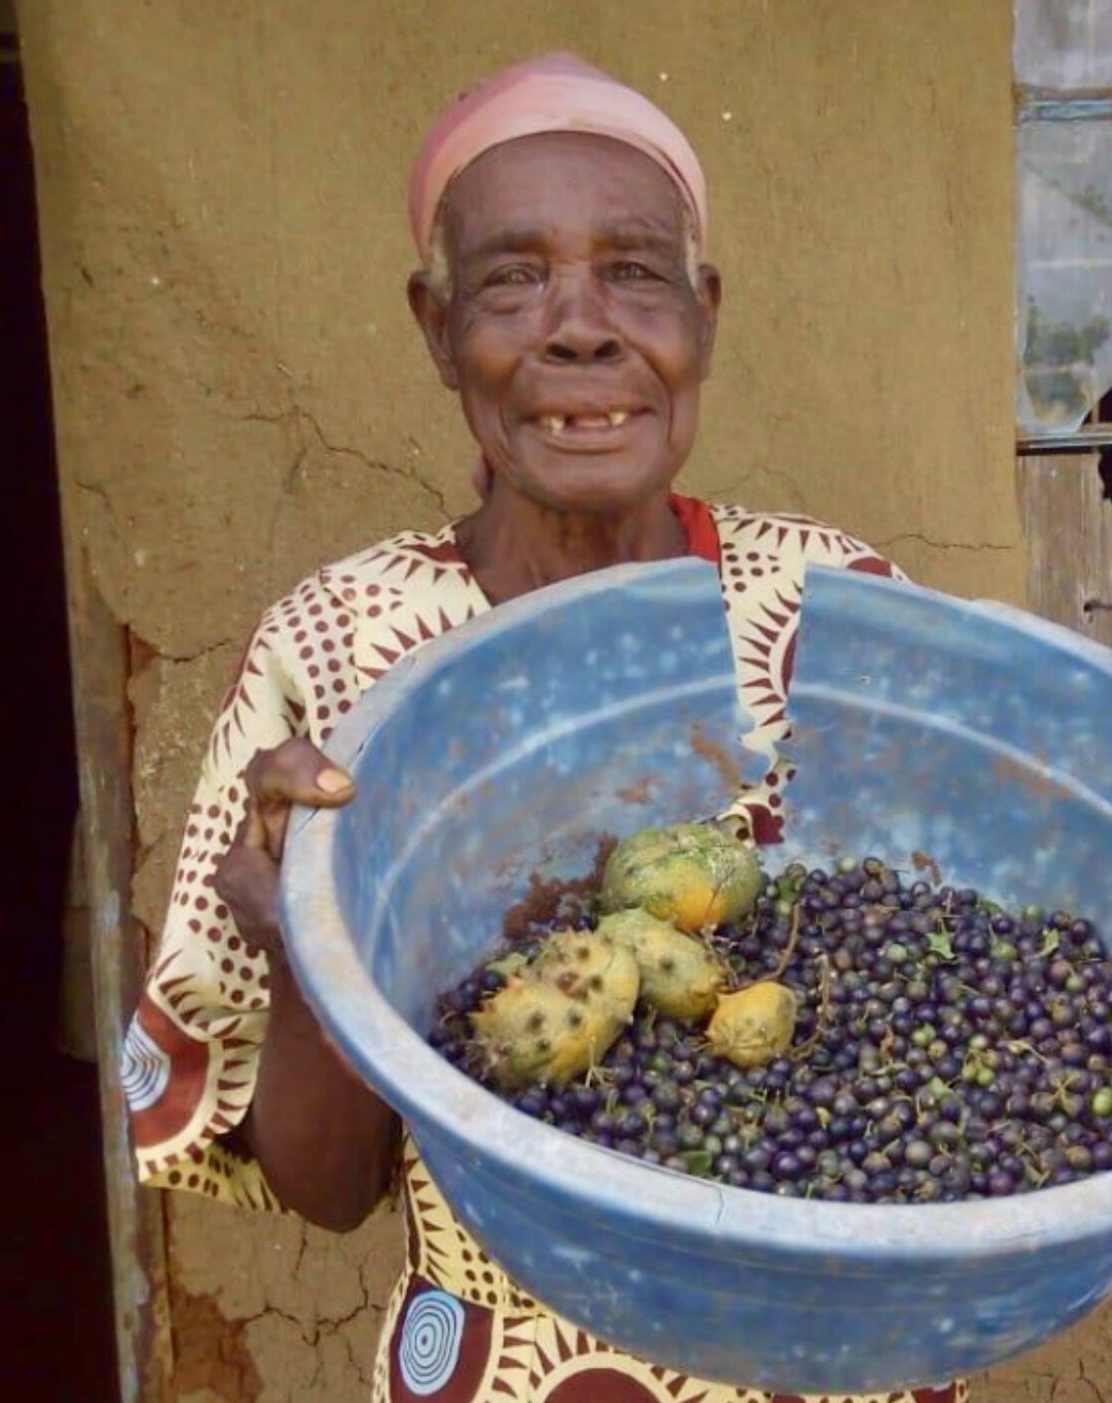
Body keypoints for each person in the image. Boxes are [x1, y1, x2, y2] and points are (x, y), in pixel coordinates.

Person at [122, 52, 961, 1403]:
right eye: (513, 278)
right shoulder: (341, 653)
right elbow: (328, 1191)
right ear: (436, 326)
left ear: (706, 313)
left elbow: (949, 1015)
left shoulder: (846, 611)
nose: (579, 328)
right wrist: (308, 937)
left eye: (634, 271)